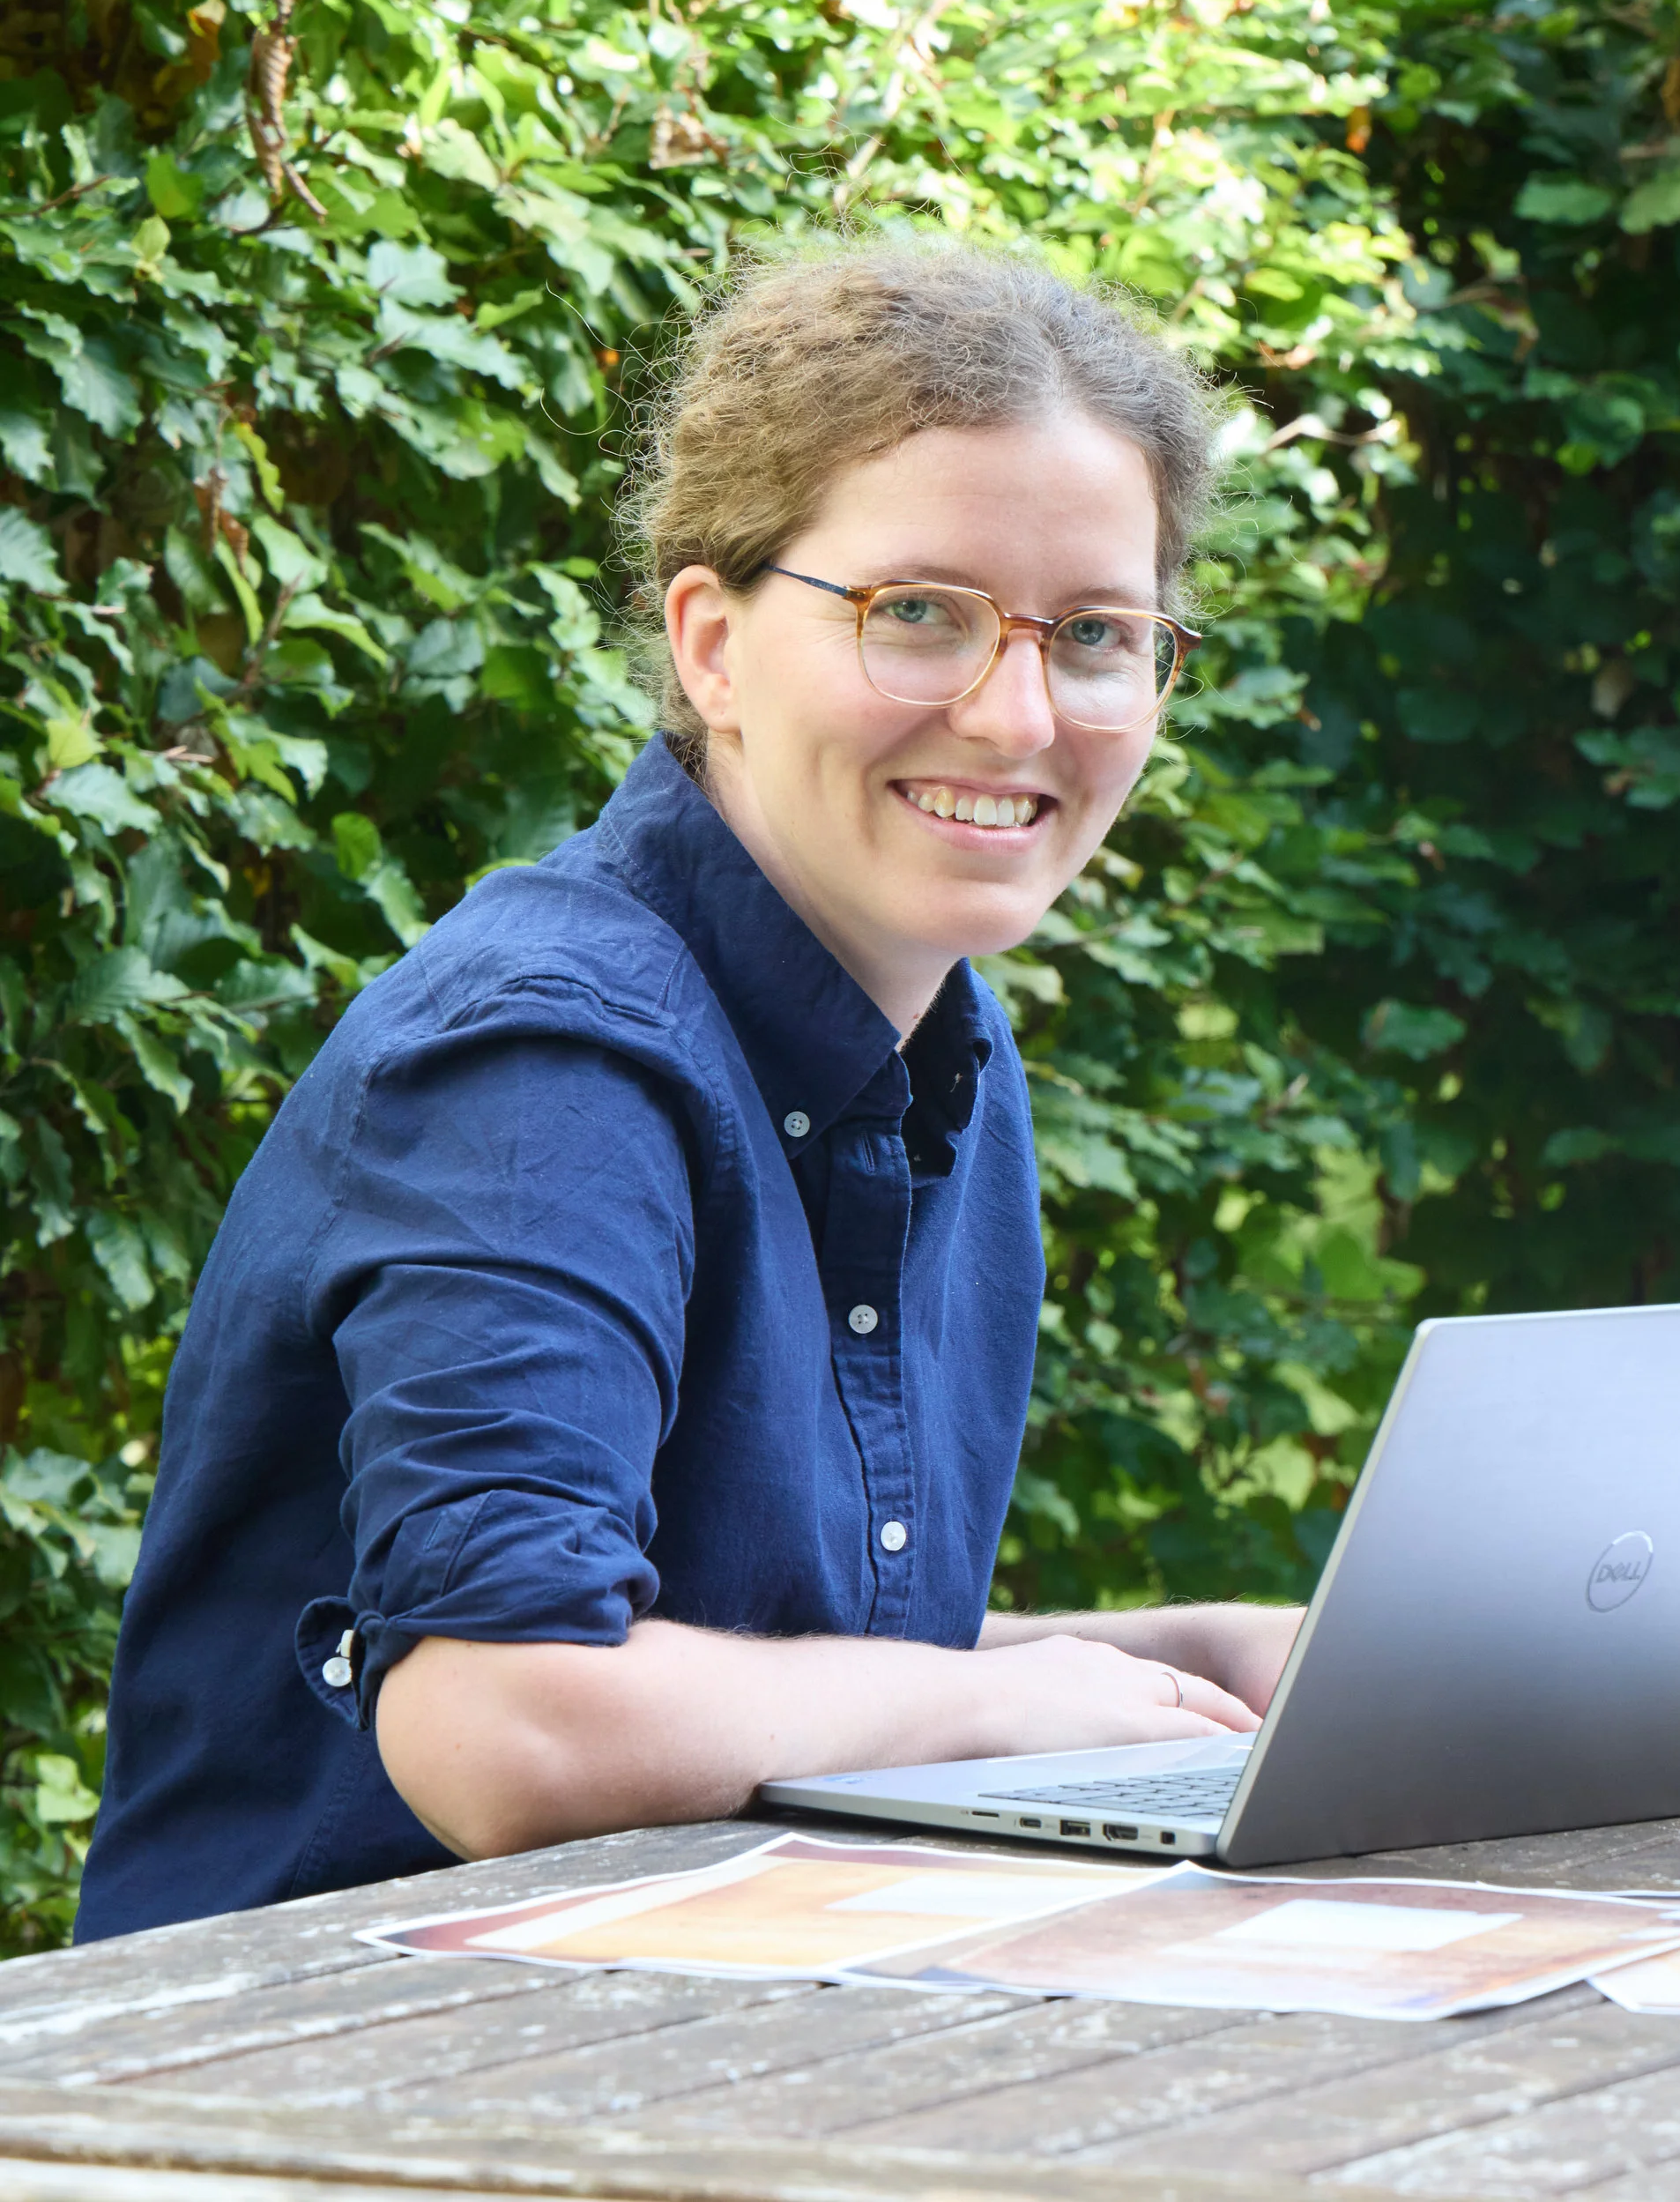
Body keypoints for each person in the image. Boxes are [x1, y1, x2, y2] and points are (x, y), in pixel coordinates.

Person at [78, 243, 1302, 1940]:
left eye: (1094, 635)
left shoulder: (949, 1055)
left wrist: (1189, 1660)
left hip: (711, 2045)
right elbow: (504, 1718)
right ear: (713, 645)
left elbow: (781, 1670)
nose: (1019, 713)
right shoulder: (544, 1061)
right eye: (919, 614)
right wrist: (987, 1703)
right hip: (315, 2093)